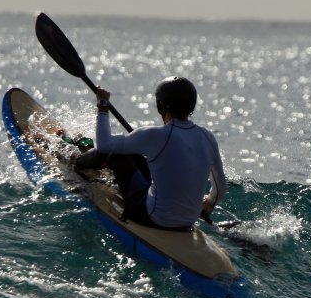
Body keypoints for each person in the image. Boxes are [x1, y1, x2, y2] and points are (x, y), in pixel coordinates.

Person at [75, 76, 226, 231]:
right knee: (137, 157)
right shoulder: (208, 137)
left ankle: (76, 164)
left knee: (116, 153)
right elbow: (220, 188)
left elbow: (104, 145)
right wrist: (208, 203)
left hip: (153, 218)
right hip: (189, 221)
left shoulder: (155, 135)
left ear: (160, 105)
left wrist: (103, 104)